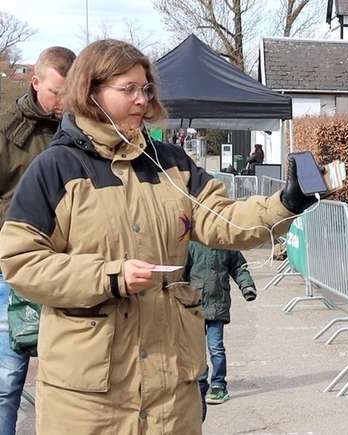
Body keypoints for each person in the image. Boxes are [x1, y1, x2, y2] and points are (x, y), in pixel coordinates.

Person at [0, 39, 315, 435]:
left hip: (169, 391)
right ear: (91, 92)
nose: (141, 100)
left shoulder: (171, 163)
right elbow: (22, 262)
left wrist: (285, 203)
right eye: (127, 89)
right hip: (88, 399)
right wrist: (108, 277)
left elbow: (223, 219)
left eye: (146, 89)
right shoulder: (54, 168)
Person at [0, 45, 76, 435]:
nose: (64, 102)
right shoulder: (6, 132)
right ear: (35, 82)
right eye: (56, 93)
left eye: (71, 92)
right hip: (15, 269)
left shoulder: (84, 131)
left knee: (76, 379)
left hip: (71, 268)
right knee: (8, 378)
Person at [184, 241, 256, 410]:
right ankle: (200, 382)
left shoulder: (227, 245)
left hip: (217, 306)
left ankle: (218, 385)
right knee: (196, 347)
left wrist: (247, 286)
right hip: (195, 306)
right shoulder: (192, 245)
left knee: (216, 347)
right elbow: (181, 273)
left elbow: (239, 267)